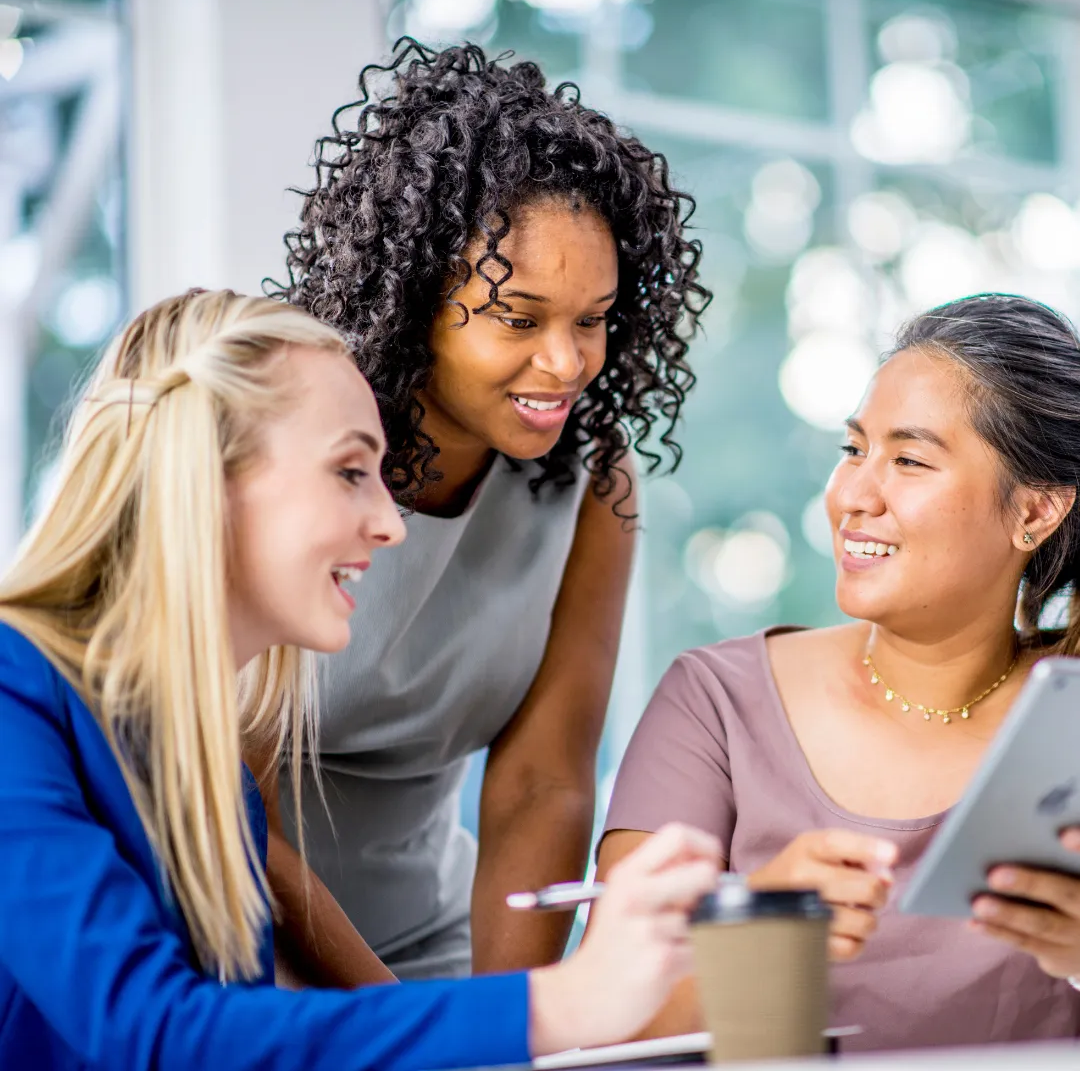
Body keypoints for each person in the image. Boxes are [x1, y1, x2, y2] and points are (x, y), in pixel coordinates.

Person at [0, 289, 722, 1070]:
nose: (391, 522)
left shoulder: (204, 770)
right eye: (349, 471)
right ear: (207, 481)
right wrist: (564, 1001)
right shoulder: (14, 699)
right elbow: (157, 1031)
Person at [266, 38, 711, 983]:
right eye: (520, 318)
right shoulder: (280, 448)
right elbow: (224, 796)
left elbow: (542, 785)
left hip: (434, 945)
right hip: (227, 935)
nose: (565, 364)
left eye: (591, 319)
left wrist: (512, 1018)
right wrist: (408, 1023)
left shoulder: (593, 482)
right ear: (414, 294)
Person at [597, 293, 1080, 1052]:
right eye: (854, 450)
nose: (853, 496)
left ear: (1036, 512)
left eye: (910, 460)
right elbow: (603, 1020)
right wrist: (758, 931)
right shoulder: (716, 704)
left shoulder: (1068, 721)